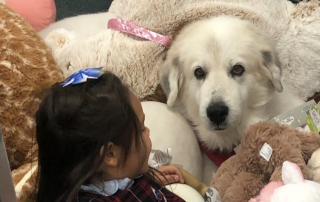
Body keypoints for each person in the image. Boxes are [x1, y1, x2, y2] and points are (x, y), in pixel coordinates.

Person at [35, 68, 185, 202]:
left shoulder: (117, 173)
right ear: (110, 154)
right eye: (141, 129)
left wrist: (147, 178)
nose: (148, 131)